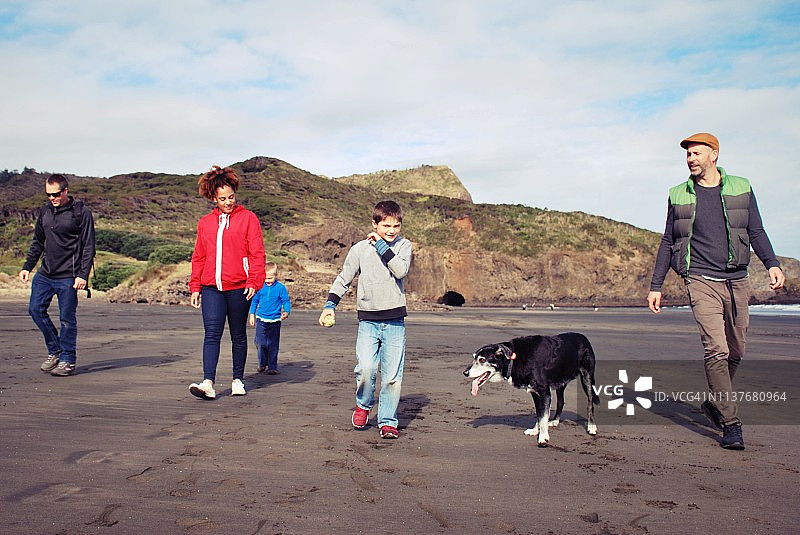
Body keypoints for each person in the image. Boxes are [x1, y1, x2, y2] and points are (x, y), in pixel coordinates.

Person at [647, 132, 785, 450]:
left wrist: (772, 263)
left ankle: (714, 404)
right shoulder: (678, 194)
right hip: (700, 279)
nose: (691, 159)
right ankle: (731, 424)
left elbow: (756, 230)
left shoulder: (741, 187)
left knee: (736, 351)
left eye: (697, 153)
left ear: (714, 155)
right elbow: (668, 241)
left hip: (737, 279)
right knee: (716, 349)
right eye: (687, 155)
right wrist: (656, 286)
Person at [318, 200, 412, 439]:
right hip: (368, 322)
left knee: (392, 376)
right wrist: (330, 305)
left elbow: (400, 270)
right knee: (366, 369)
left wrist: (381, 245)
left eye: (396, 226)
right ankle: (363, 404)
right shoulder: (359, 249)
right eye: (386, 225)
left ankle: (388, 421)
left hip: (394, 322)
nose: (391, 230)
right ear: (374, 223)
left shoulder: (404, 246)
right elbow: (344, 278)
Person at [188, 165, 266, 400]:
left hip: (239, 287)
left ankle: (237, 380)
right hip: (211, 288)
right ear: (214, 198)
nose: (228, 202)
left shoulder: (248, 218)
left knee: (238, 335)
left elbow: (257, 253)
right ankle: (208, 382)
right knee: (211, 333)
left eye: (231, 197)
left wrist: (254, 280)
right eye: (223, 198)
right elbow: (199, 256)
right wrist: (195, 286)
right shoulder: (205, 223)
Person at [19, 174, 96, 377]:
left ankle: (68, 360)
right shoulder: (45, 211)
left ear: (65, 191)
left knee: (67, 319)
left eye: (55, 194)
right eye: (48, 194)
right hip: (45, 273)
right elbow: (38, 242)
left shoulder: (81, 212)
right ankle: (56, 350)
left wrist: (83, 275)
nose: (52, 198)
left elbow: (89, 246)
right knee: (35, 310)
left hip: (69, 276)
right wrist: (27, 266)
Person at [248, 261, 291, 375]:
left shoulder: (280, 288)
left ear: (276, 276)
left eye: (270, 278)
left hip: (275, 320)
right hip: (261, 319)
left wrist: (286, 311)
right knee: (261, 343)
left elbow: (286, 301)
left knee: (273, 344)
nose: (267, 281)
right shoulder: (260, 286)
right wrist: (252, 314)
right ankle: (262, 363)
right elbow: (254, 301)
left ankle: (272, 366)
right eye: (265, 278)